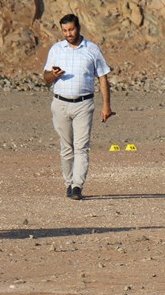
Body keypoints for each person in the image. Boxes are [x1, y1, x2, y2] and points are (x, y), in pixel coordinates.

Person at [43, 14, 113, 200]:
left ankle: (77, 186)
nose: (68, 34)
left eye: (71, 30)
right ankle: (68, 183)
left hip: (84, 104)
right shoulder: (56, 49)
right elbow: (46, 78)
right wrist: (54, 75)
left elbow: (103, 77)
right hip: (60, 103)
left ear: (78, 28)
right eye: (65, 31)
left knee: (81, 147)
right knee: (66, 147)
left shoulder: (92, 49)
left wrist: (106, 105)